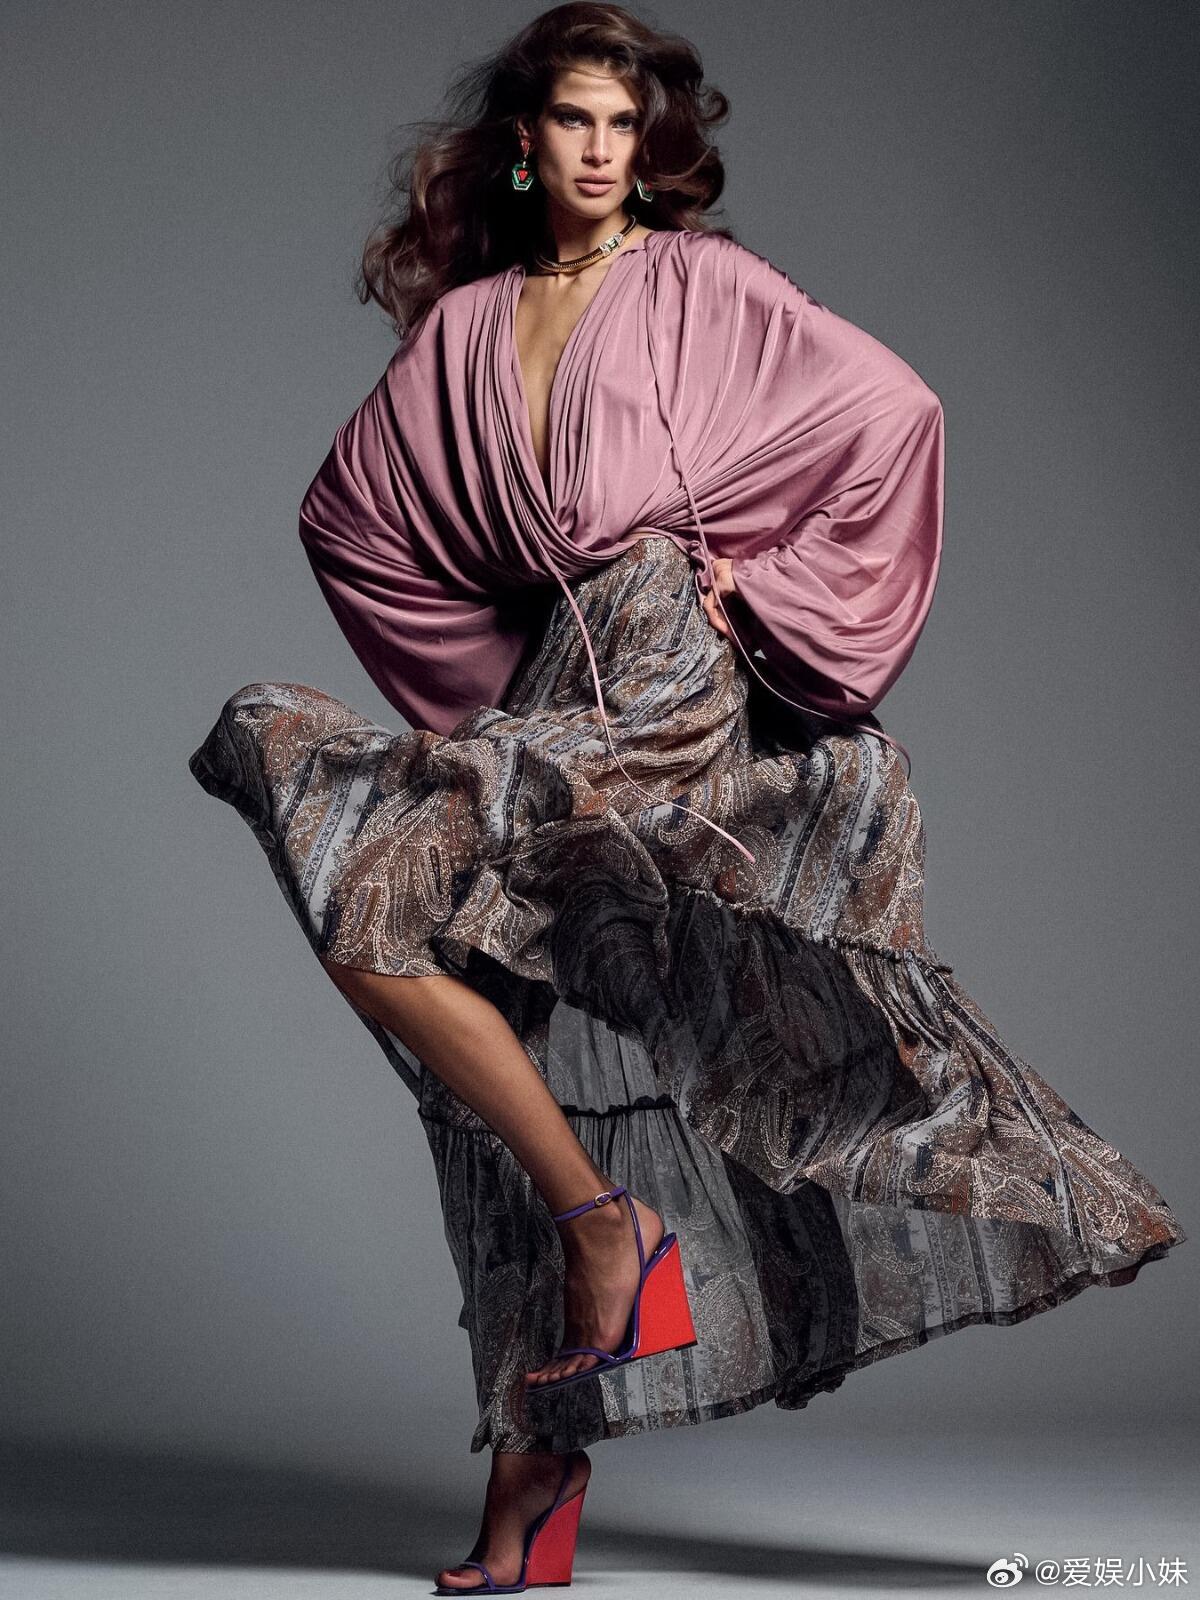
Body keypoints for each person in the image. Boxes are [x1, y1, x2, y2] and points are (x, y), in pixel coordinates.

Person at [186, 4, 1187, 1593]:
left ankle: (611, 1237)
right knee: (459, 986)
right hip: (557, 697)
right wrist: (494, 691)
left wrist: (762, 592)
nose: (601, 151)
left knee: (399, 913)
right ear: (524, 142)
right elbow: (348, 520)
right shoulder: (464, 331)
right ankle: (540, 1455)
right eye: (572, 122)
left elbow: (897, 419)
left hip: (666, 679)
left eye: (621, 125)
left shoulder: (698, 285)